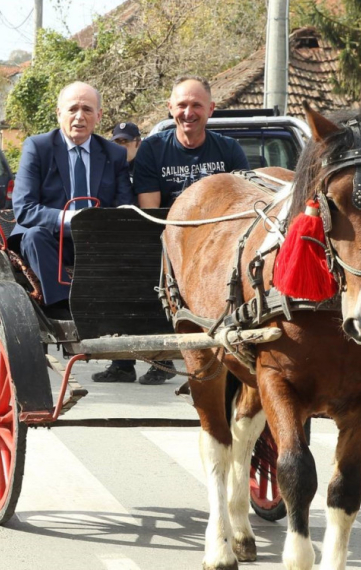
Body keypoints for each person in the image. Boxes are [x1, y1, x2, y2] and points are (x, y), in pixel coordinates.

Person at [96, 74, 249, 386]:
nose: (188, 112)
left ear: (211, 109)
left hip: (219, 240)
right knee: (138, 273)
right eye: (182, 105)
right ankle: (142, 358)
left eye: (196, 105)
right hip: (170, 237)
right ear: (170, 108)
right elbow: (151, 209)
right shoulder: (153, 149)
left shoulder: (230, 150)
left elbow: (241, 209)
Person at [11, 81, 133, 322]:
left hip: (97, 242)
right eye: (72, 109)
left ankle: (131, 314)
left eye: (87, 109)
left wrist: (99, 224)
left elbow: (125, 207)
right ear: (59, 114)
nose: (80, 117)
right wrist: (74, 219)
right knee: (34, 235)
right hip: (50, 242)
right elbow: (24, 208)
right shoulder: (37, 147)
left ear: (98, 115)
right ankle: (62, 305)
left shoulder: (114, 154)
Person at [91, 121, 143, 383]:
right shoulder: (110, 167)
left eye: (125, 141)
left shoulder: (146, 168)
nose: (121, 147)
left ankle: (162, 360)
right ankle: (122, 364)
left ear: (137, 143)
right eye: (117, 142)